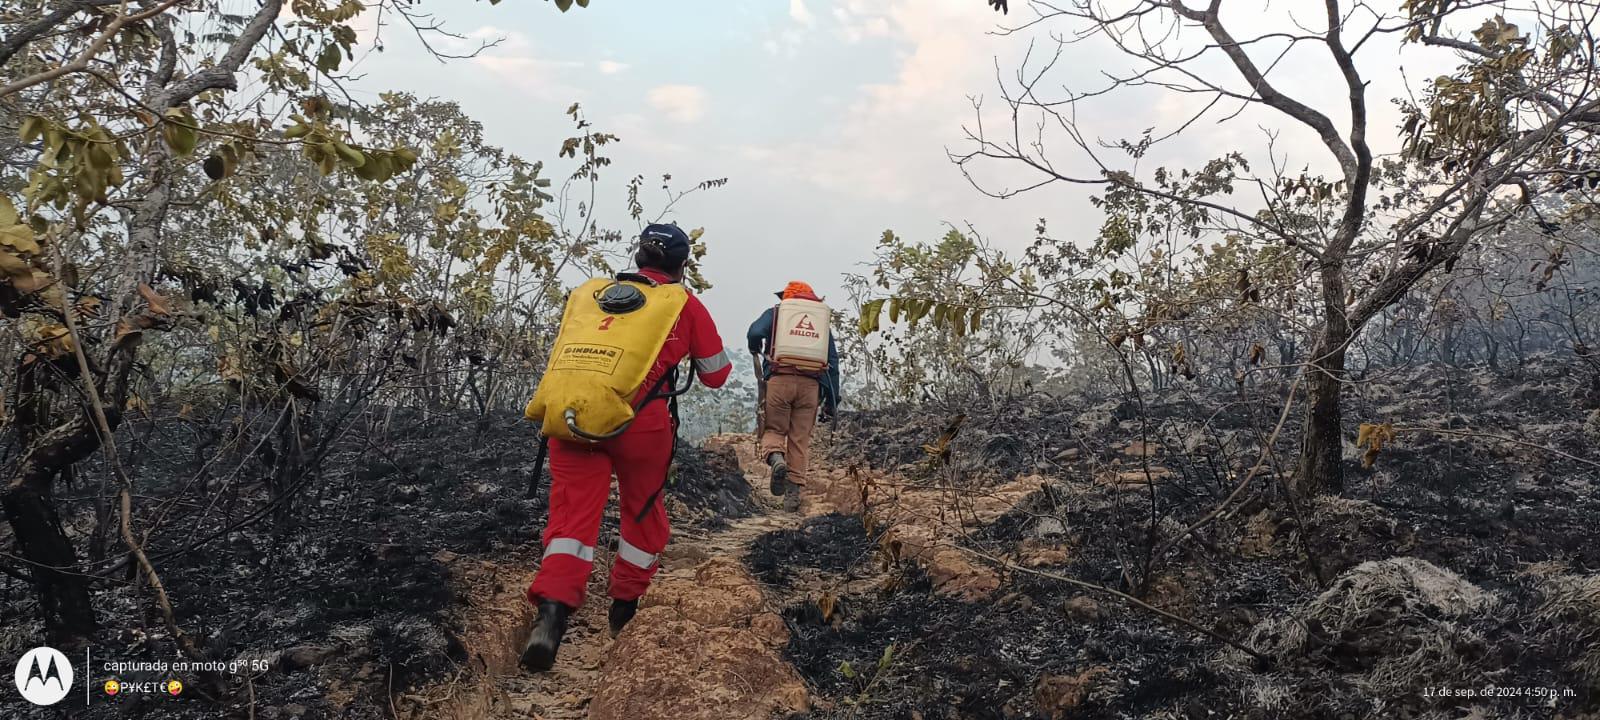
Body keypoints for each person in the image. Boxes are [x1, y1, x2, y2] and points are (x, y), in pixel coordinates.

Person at [520, 223, 731, 671]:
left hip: (573, 417)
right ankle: (624, 606)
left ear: (638, 257)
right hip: (642, 426)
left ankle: (552, 615)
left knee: (571, 518)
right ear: (681, 265)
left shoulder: (592, 295)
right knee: (642, 510)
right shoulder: (682, 304)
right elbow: (716, 375)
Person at [746, 281, 840, 510]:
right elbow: (833, 363)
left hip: (780, 381)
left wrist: (755, 347)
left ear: (787, 297)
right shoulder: (820, 323)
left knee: (774, 430)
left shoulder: (777, 313)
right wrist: (832, 402)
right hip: (810, 388)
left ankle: (777, 458)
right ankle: (793, 495)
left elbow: (755, 332)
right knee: (799, 440)